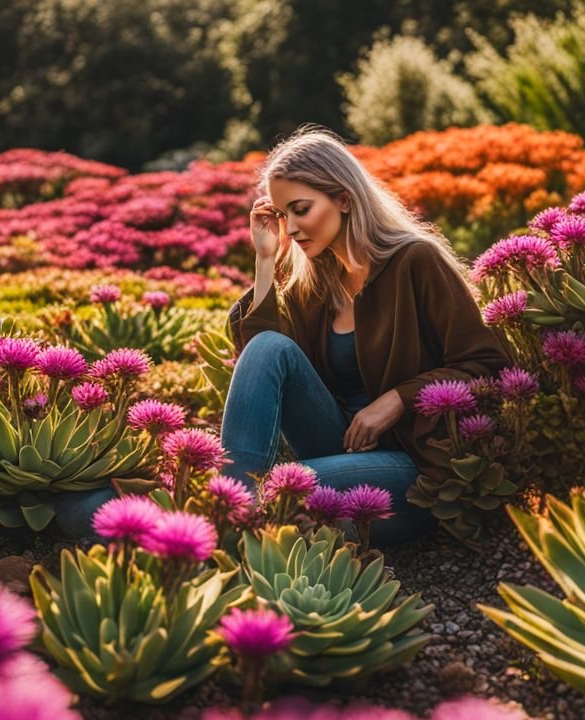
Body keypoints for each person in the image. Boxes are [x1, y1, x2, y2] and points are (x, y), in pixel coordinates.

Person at [218, 125, 513, 545]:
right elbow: (258, 361)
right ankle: (231, 504)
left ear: (343, 199)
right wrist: (266, 261)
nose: (293, 228)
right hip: (337, 447)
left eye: (301, 209)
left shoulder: (415, 260)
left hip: (413, 466)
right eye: (283, 216)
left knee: (285, 489)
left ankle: (232, 526)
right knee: (270, 348)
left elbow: (488, 366)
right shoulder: (315, 285)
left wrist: (396, 400)